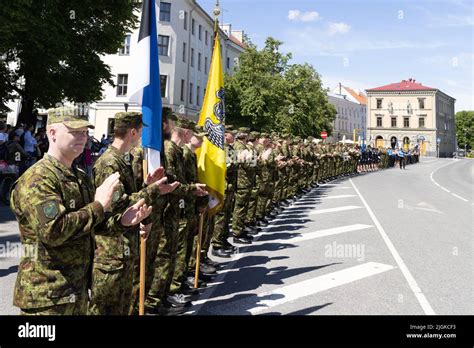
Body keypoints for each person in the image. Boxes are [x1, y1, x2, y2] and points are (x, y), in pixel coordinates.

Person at [10, 106, 152, 315]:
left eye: (85, 132)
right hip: (47, 296)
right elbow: (54, 230)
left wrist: (122, 221)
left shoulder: (78, 176)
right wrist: (98, 206)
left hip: (75, 291)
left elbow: (93, 223)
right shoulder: (38, 178)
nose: (82, 138)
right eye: (74, 132)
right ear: (52, 133)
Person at [89, 111, 179, 316]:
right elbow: (117, 206)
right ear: (132, 132)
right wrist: (153, 190)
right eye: (140, 131)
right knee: (104, 306)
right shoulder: (109, 163)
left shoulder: (122, 160)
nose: (141, 136)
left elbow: (129, 195)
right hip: (111, 248)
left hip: (124, 242)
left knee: (123, 303)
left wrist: (146, 185)